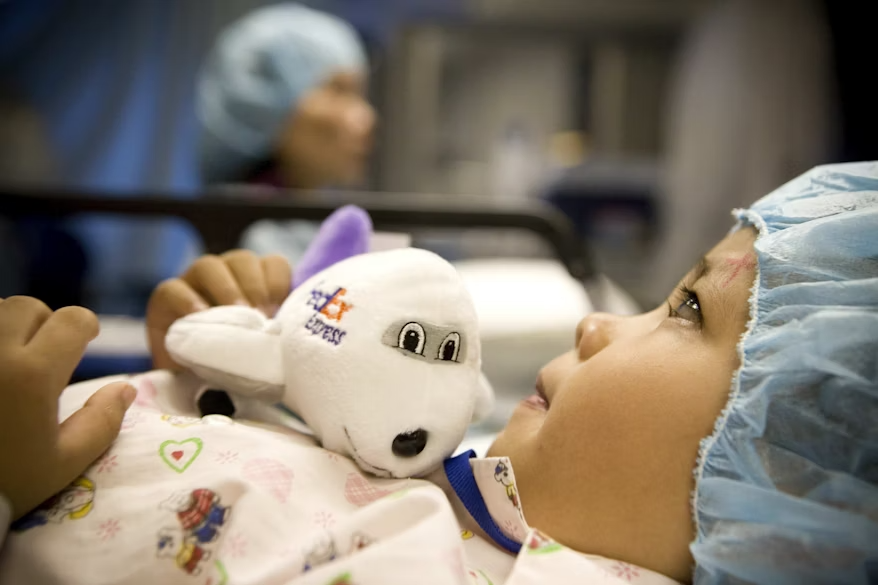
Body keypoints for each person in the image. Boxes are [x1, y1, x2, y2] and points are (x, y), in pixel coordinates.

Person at [0, 162, 875, 584]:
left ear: (786, 488)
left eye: (686, 308)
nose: (598, 321)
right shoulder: (486, 491)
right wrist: (210, 388)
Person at [197, 3, 376, 265]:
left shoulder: (307, 226)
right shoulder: (243, 244)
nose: (367, 118)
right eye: (339, 91)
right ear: (265, 106)